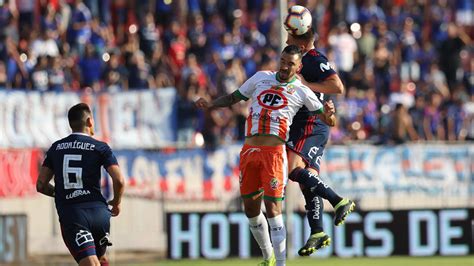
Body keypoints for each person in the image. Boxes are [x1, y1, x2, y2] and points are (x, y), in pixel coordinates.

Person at [196, 45, 335, 266]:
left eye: (291, 63)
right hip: (249, 151)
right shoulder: (261, 77)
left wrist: (330, 115)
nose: (285, 66)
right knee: (250, 210)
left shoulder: (302, 91)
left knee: (273, 209)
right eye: (283, 61)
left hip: (274, 154)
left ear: (298, 67)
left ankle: (280, 263)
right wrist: (211, 103)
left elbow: (327, 121)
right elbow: (234, 97)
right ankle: (268, 256)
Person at [285, 28, 355, 256]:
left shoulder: (314, 60)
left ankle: (337, 200)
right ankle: (317, 231)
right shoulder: (304, 61)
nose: (286, 40)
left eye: (291, 38)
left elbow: (337, 86)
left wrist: (305, 86)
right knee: (308, 181)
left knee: (292, 169)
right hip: (317, 124)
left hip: (309, 122)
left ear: (302, 44)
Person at [36, 103, 125, 266]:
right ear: (90, 121)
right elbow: (119, 180)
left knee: (91, 263)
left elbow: (41, 184)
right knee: (100, 259)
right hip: (99, 214)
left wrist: (61, 192)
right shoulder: (100, 147)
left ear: (71, 124)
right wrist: (117, 202)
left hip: (73, 214)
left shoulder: (56, 148)